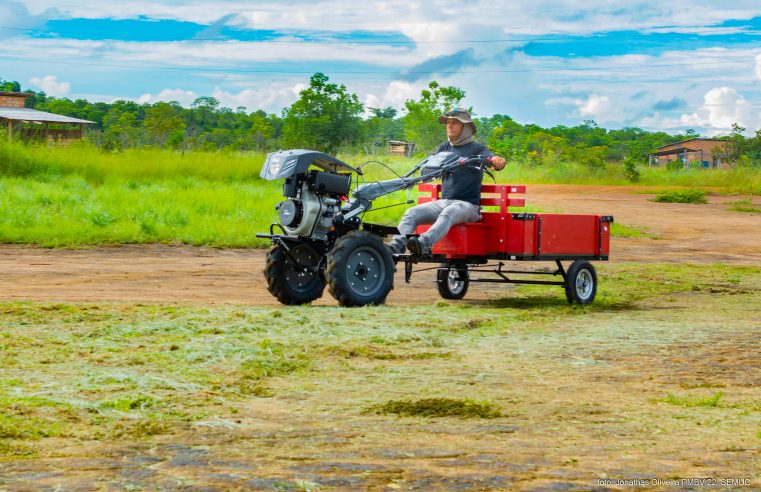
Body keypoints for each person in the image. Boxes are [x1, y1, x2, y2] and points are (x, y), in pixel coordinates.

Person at [388, 108, 506, 256]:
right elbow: (425, 172)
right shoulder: (444, 147)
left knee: (448, 212)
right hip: (444, 202)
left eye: (455, 123)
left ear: (466, 127)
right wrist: (441, 168)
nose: (449, 126)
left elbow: (492, 158)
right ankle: (395, 247)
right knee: (411, 213)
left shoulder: (477, 149)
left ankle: (423, 243)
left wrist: (496, 160)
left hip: (468, 206)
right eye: (448, 123)